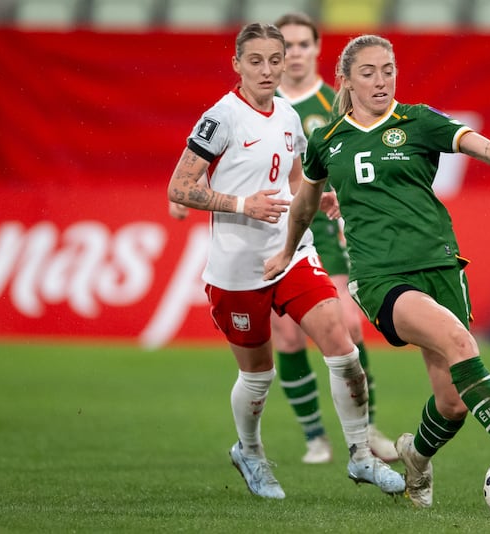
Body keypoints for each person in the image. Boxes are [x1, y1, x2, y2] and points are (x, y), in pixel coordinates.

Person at [264, 34, 490, 508]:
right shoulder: (327, 140)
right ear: (347, 80)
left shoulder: (416, 120)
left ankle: (415, 456)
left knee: (453, 402)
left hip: (441, 267)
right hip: (381, 280)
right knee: (461, 344)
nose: (381, 81)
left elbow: (466, 139)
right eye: (368, 72)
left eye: (388, 70)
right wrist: (286, 253)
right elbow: (303, 207)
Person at [166, 23, 404, 500]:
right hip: (238, 269)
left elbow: (296, 181)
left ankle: (360, 455)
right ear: (237, 64)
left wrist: (321, 198)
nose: (268, 69)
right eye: (256, 61)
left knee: (343, 346)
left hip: (291, 253)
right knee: (258, 375)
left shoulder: (290, 115)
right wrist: (241, 205)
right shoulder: (221, 118)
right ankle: (250, 452)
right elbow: (179, 188)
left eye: (275, 60)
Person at [271, 12, 396, 464]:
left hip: (327, 233)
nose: (296, 53)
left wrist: (346, 197)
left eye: (303, 44)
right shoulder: (263, 106)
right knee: (287, 336)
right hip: (276, 231)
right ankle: (315, 437)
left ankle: (365, 429)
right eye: (287, 45)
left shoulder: (336, 103)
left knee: (348, 323)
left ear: (318, 49)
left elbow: (367, 155)